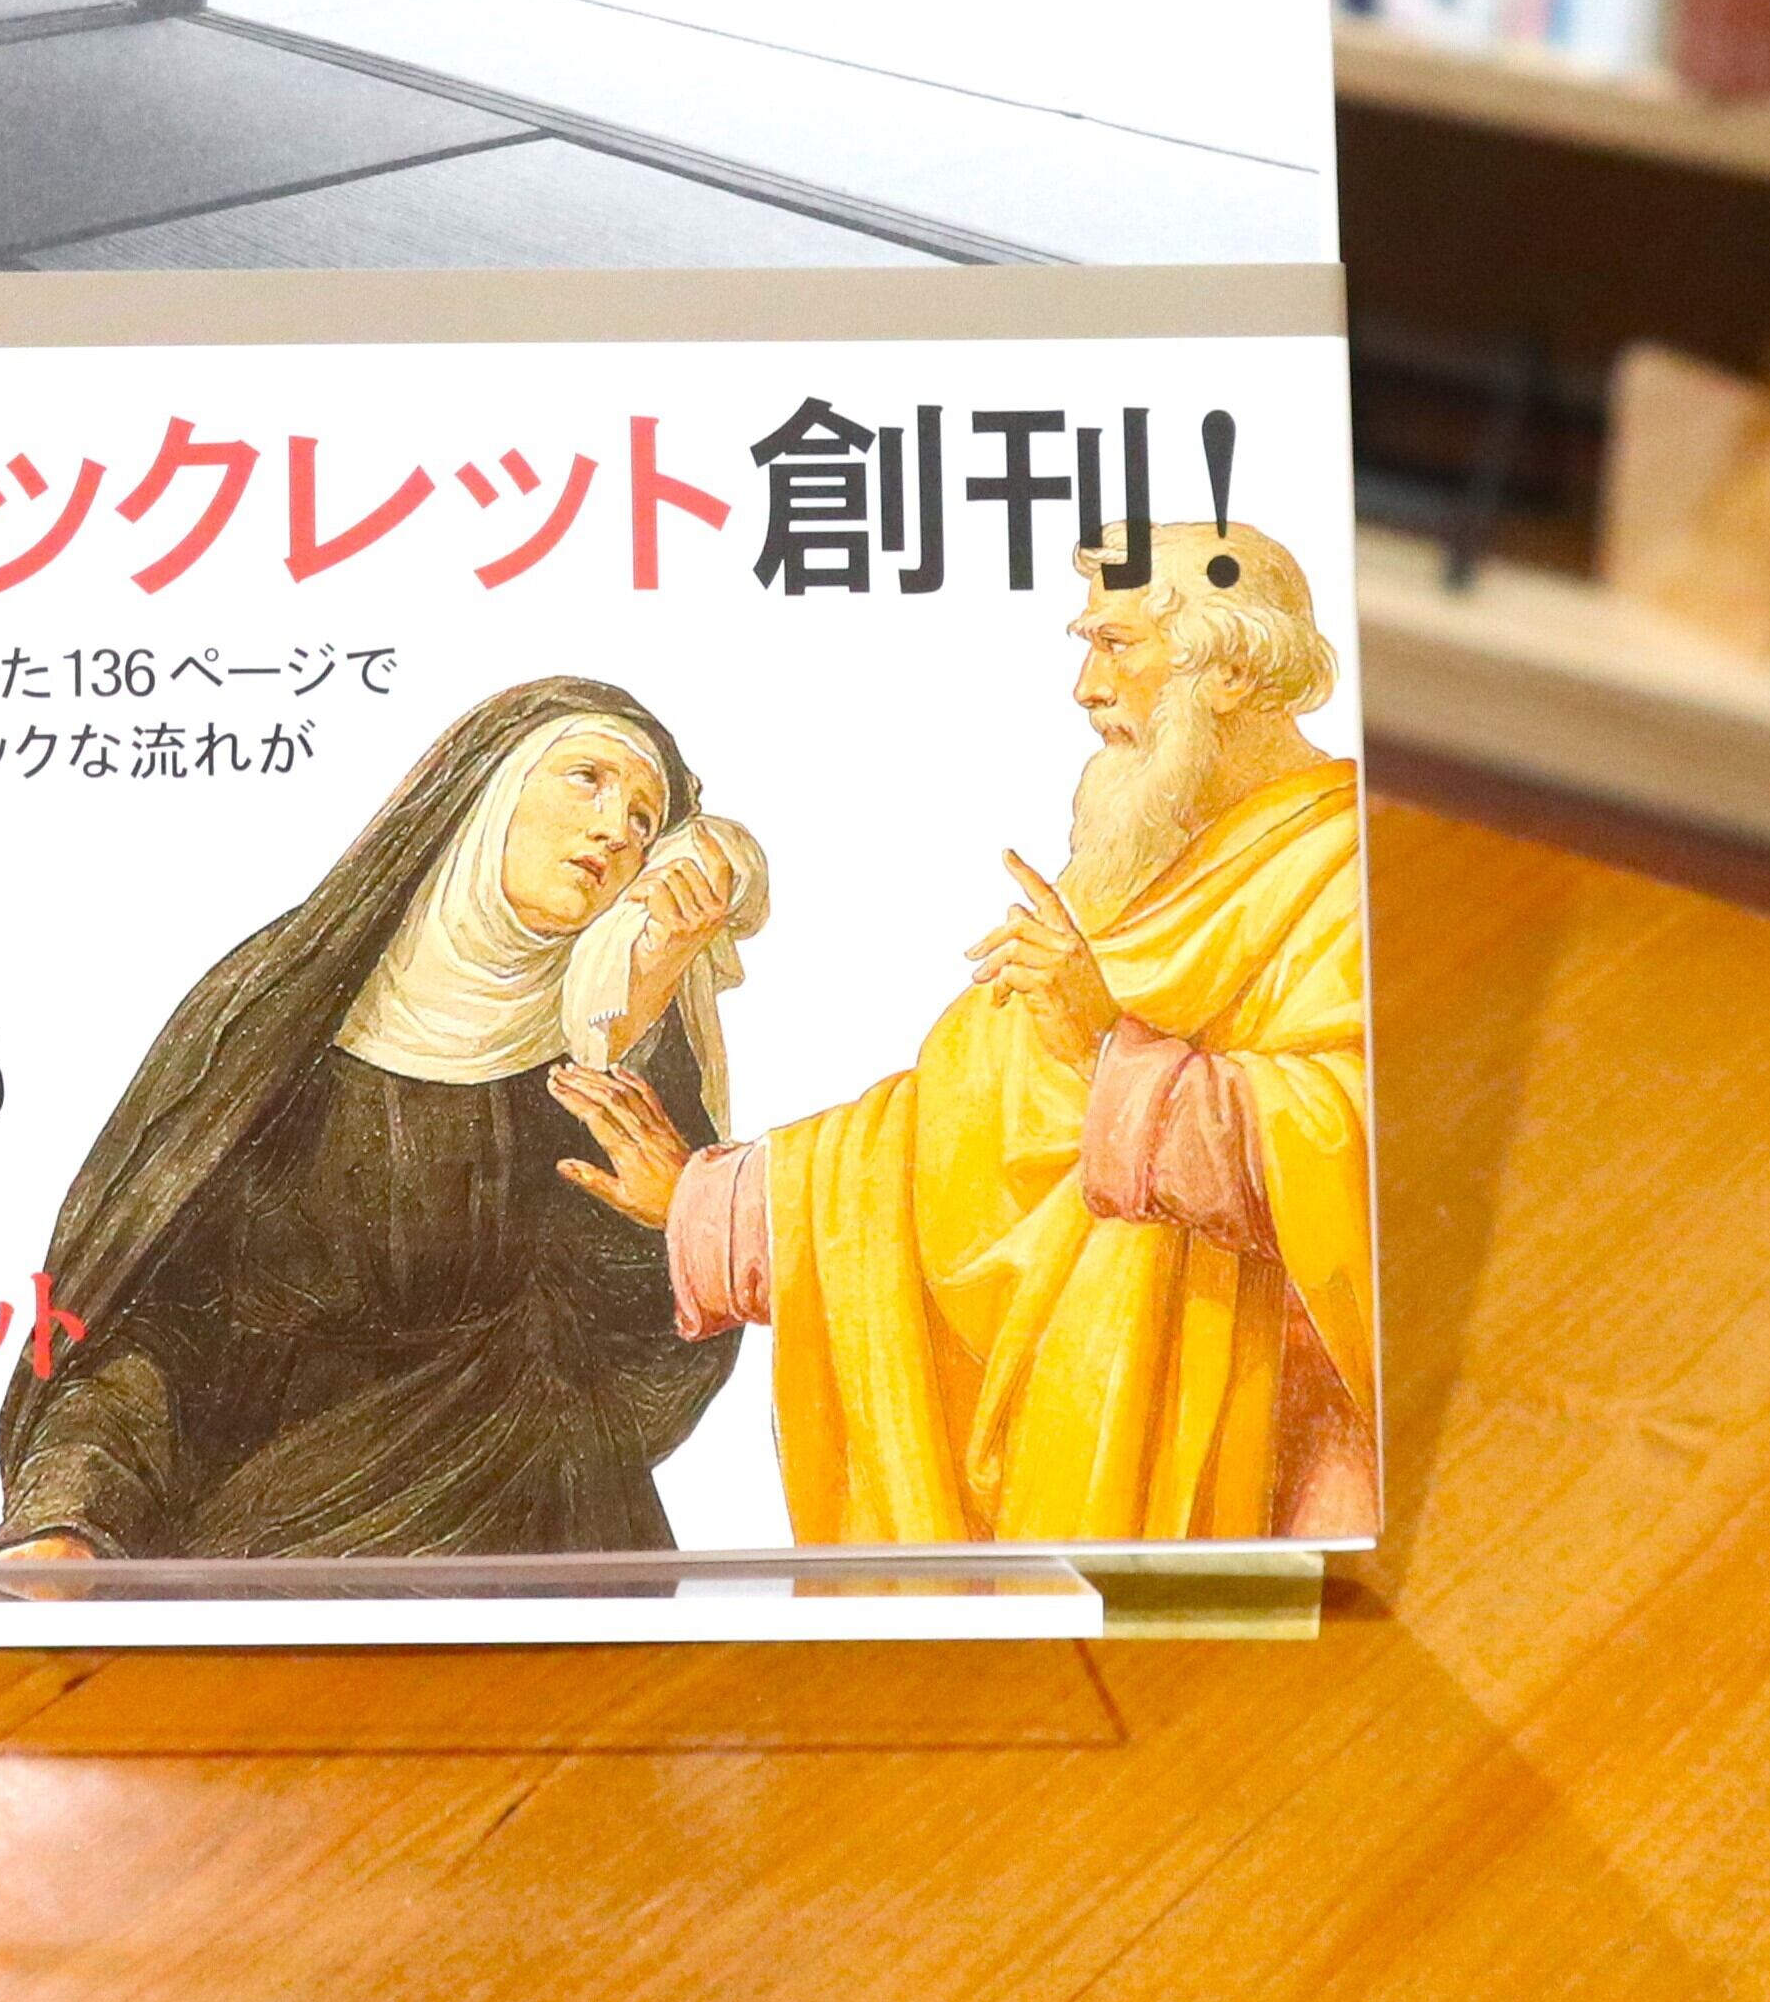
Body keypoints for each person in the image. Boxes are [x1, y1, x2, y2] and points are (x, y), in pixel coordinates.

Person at [553, 523, 1374, 1544]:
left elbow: (1345, 1153)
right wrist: (712, 1202)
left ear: (1234, 673)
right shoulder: (1145, 871)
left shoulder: (1339, 866)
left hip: (1255, 1477)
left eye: (1114, 645)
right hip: (1077, 1449)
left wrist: (1109, 1052)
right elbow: (956, 1130)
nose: (1085, 688)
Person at [0, 677, 761, 1565]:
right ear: (486, 791)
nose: (614, 831)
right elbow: (144, 1315)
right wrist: (72, 1515)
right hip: (279, 1537)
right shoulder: (283, 1005)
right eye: (587, 779)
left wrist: (623, 1042)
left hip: (539, 1533)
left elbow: (653, 1363)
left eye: (642, 822)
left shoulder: (626, 1053)